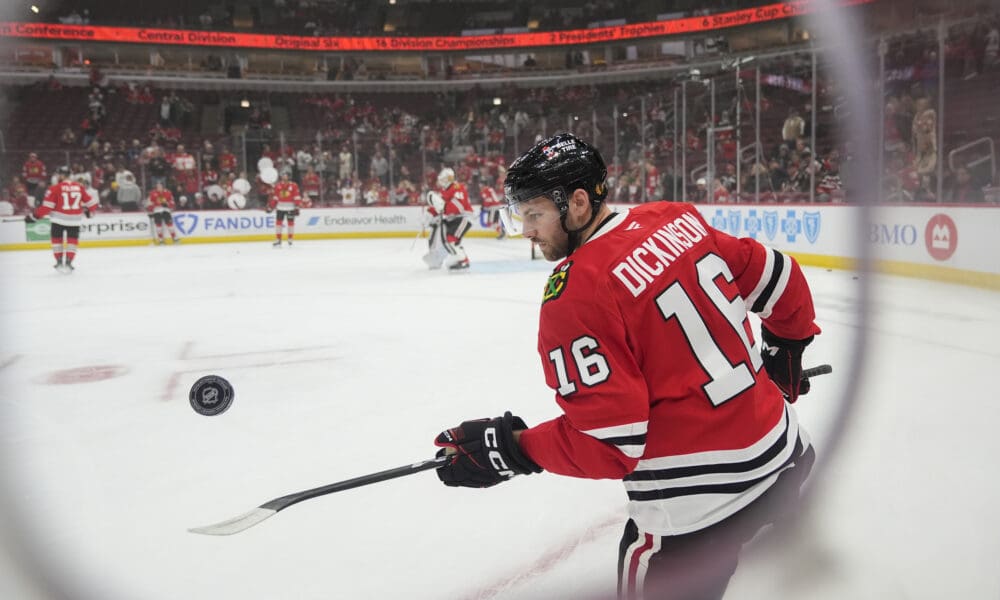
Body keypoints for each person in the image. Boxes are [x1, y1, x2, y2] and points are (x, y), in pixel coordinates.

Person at [432, 133, 821, 600]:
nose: (526, 231)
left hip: (694, 514)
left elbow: (609, 445)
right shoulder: (677, 219)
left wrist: (512, 448)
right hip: (786, 461)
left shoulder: (575, 294)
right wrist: (785, 351)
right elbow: (780, 278)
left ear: (577, 203)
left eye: (534, 214)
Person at [27, 166, 98, 272]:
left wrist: (34, 216)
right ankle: (69, 262)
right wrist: (89, 212)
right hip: (75, 220)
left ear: (62, 175)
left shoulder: (54, 188)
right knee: (72, 242)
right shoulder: (79, 187)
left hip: (58, 220)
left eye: (58, 174)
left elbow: (47, 207)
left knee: (57, 241)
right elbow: (92, 203)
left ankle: (59, 262)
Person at [422, 167, 473, 270]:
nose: (441, 182)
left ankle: (463, 261)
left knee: (451, 240)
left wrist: (443, 207)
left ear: (448, 178)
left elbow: (459, 206)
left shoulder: (457, 187)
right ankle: (452, 258)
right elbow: (438, 206)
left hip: (463, 218)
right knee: (447, 240)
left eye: (443, 179)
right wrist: (429, 214)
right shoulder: (444, 190)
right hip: (453, 219)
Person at [266, 171, 303, 247]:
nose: (284, 177)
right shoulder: (278, 185)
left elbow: (296, 196)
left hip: (290, 208)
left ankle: (290, 239)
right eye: (283, 175)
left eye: (285, 176)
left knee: (290, 224)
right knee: (278, 224)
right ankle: (278, 239)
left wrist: (297, 206)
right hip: (280, 208)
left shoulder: (294, 185)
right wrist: (271, 206)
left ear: (289, 177)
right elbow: (275, 197)